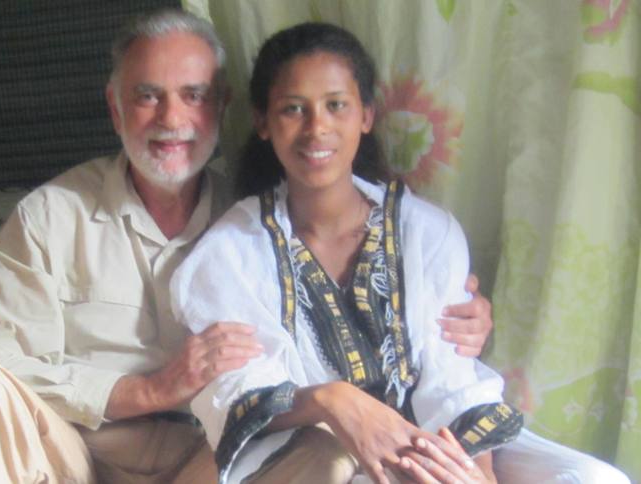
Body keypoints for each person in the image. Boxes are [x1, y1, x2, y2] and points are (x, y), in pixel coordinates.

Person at [0, 9, 495, 484]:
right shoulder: (50, 218)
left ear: (226, 108)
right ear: (114, 108)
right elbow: (2, 362)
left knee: (328, 449)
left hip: (217, 460)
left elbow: (375, 280)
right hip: (70, 457)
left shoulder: (265, 210)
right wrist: (150, 390)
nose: (171, 118)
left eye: (192, 95)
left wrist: (457, 313)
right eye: (147, 95)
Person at [170, 22, 631, 484]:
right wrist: (334, 401)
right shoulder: (229, 254)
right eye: (293, 109)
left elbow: (453, 378)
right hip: (323, 457)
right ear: (263, 122)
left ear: (366, 116)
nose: (317, 128)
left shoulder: (427, 232)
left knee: (594, 479)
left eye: (336, 105)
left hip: (443, 438)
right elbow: (241, 395)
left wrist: (477, 473)